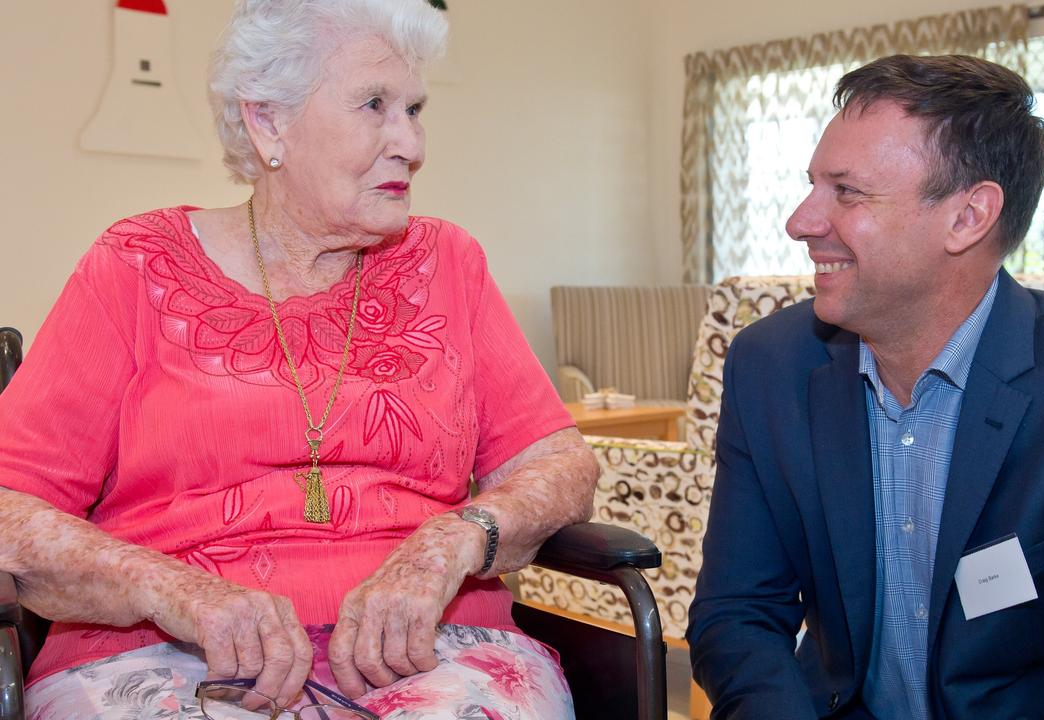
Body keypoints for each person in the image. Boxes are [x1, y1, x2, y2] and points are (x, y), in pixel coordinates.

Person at [0, 1, 597, 717]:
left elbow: (563, 465)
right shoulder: (134, 268)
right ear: (268, 121)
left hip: (434, 647)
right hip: (164, 654)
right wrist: (175, 591)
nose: (410, 142)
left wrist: (455, 540)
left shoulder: (448, 263)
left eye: (414, 108)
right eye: (374, 104)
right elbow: (11, 507)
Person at [687, 54, 1044, 719]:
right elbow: (737, 616)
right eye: (811, 186)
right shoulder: (770, 366)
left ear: (969, 217)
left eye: (847, 192)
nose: (800, 221)